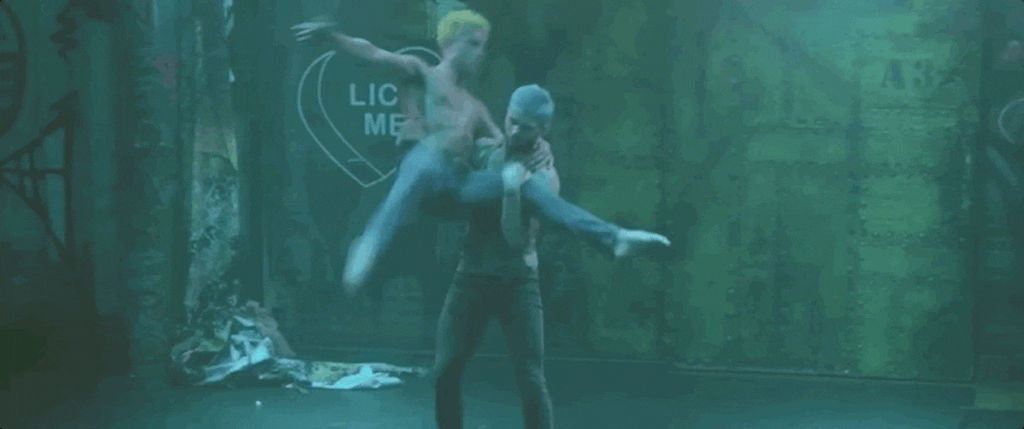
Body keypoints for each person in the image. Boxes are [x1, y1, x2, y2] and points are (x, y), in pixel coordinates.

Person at [291, 10, 670, 295]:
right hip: (420, 172)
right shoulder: (421, 73)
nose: (480, 54)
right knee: (426, 158)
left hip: (454, 189)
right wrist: (333, 37)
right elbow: (373, 54)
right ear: (449, 44)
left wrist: (539, 153)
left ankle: (613, 238)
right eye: (473, 44)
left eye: (483, 47)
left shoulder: (476, 108)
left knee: (521, 183)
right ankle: (370, 243)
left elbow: (507, 144)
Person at [433, 85, 560, 429]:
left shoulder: (545, 178)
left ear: (543, 130)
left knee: (531, 378)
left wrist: (512, 192)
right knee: (445, 370)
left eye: (526, 128)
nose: (515, 131)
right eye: (512, 121)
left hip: (518, 283)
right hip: (471, 277)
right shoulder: (485, 151)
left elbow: (516, 241)